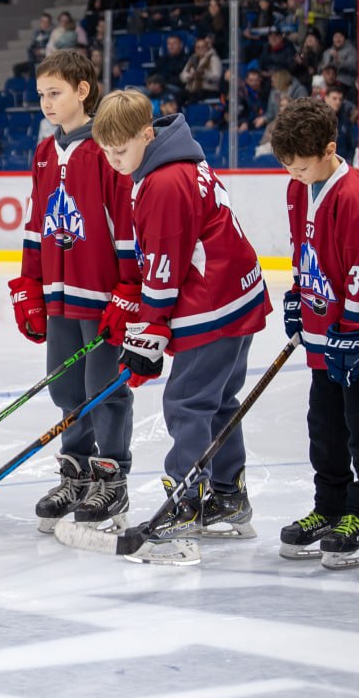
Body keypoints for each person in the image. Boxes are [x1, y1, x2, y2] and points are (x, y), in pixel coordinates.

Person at [90, 90, 271, 555]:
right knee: (218, 401)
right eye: (106, 152)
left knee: (187, 403)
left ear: (146, 135)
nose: (114, 160)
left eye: (121, 150)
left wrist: (149, 331)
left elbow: (163, 265)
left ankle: (185, 504)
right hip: (236, 296)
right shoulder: (176, 160)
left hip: (213, 304)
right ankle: (228, 497)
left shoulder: (165, 181)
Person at [270, 97, 359, 569]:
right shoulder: (298, 190)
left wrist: (355, 331)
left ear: (329, 149)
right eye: (287, 166)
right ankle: (330, 507)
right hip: (325, 333)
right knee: (324, 429)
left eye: (301, 166)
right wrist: (298, 295)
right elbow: (304, 251)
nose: (294, 174)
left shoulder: (353, 198)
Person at [11, 50, 137, 535]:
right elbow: (35, 223)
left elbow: (125, 226)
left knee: (104, 390)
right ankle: (77, 472)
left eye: (55, 92)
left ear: (83, 91)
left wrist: (128, 290)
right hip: (58, 297)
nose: (46, 102)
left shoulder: (107, 148)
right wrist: (30, 284)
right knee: (66, 389)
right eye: (41, 94)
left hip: (100, 297)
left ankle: (112, 478)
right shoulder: (44, 152)